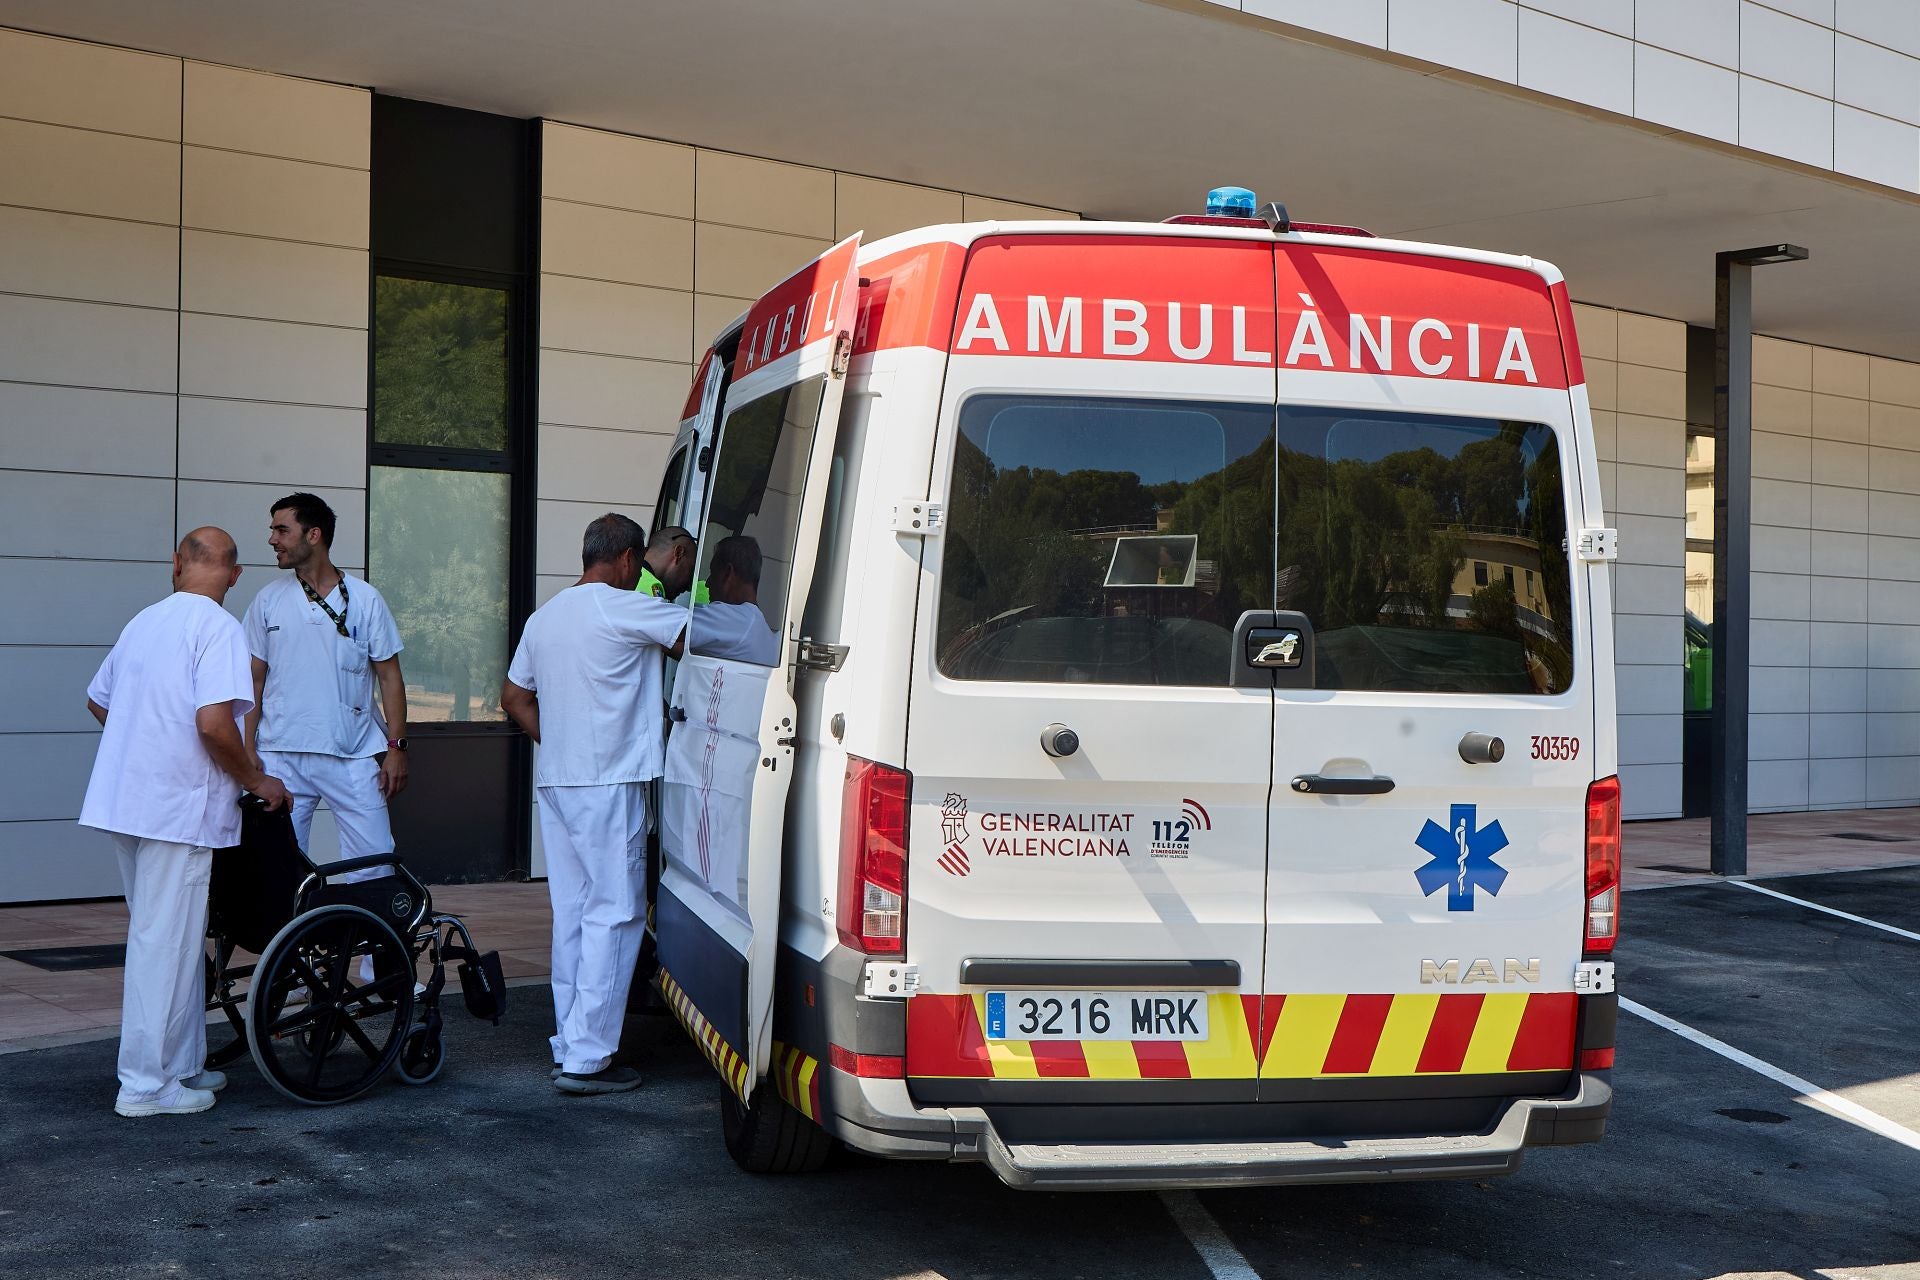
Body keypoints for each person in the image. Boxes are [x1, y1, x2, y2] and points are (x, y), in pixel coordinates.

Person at [79, 528, 291, 1118]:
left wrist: (143, 744)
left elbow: (100, 700)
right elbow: (214, 725)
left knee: (168, 938)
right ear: (235, 573)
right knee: (164, 944)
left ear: (176, 564)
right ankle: (146, 1086)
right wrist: (257, 780)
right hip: (177, 810)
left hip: (130, 801)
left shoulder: (144, 621)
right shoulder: (220, 627)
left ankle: (183, 1064)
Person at [500, 519, 694, 1095]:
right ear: (629, 558)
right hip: (607, 783)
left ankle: (571, 1039)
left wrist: (558, 738)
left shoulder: (546, 616)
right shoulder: (621, 606)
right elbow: (696, 637)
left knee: (575, 912)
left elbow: (513, 697)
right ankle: (588, 1059)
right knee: (616, 912)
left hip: (557, 782)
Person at [242, 493, 407, 879]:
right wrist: (248, 749)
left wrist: (397, 748)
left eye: (282, 530)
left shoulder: (366, 600)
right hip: (281, 755)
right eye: (273, 530)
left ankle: (368, 939)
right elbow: (253, 679)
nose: (272, 540)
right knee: (275, 870)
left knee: (376, 864)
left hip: (351, 752)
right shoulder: (267, 601)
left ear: (314, 534)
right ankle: (284, 941)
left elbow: (390, 677)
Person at [689, 535, 781, 665]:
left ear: (728, 573)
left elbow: (669, 628)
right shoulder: (762, 632)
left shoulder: (737, 621)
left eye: (713, 572)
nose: (708, 583)